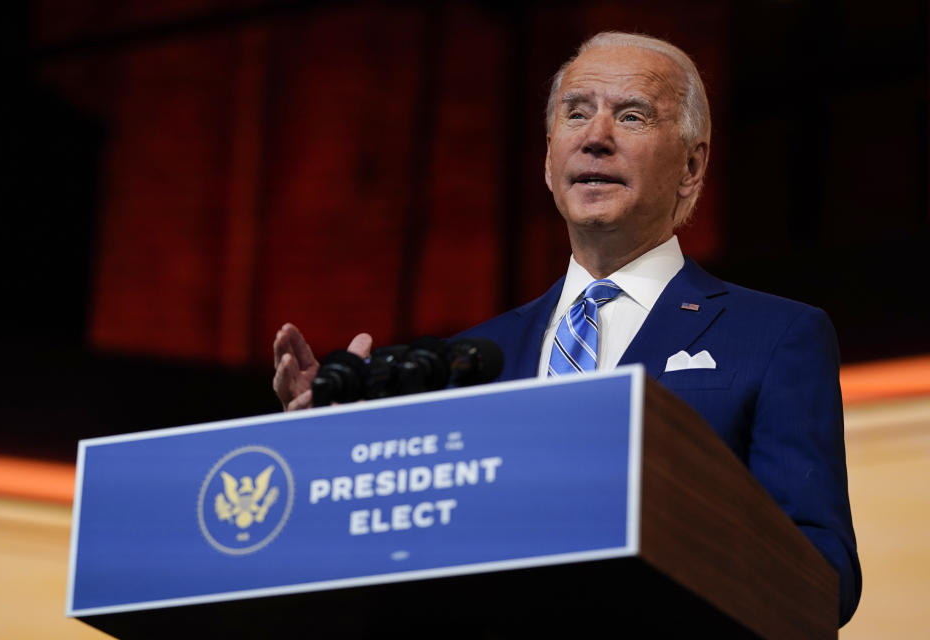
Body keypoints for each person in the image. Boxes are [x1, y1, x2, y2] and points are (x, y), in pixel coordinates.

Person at [272, 31, 860, 625]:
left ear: (690, 165)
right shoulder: (470, 359)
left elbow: (822, 579)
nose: (595, 137)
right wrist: (340, 454)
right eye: (575, 113)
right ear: (548, 159)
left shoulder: (777, 336)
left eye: (631, 116)